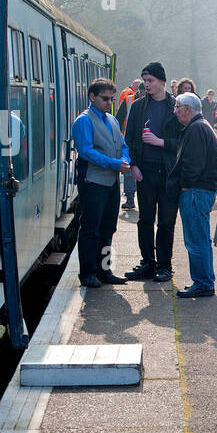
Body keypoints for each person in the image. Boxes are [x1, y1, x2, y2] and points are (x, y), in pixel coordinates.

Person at [122, 62, 183, 283]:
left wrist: (160, 142)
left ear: (162, 82)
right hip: (145, 171)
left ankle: (165, 265)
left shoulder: (175, 106)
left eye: (151, 81)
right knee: (145, 219)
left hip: (168, 172)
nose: (146, 85)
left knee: (166, 221)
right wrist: (134, 165)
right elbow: (129, 139)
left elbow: (183, 142)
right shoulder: (138, 107)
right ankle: (148, 262)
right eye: (144, 81)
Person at [72, 78, 131, 289]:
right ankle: (88, 273)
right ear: (92, 97)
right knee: (90, 229)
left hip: (112, 183)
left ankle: (104, 270)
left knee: (108, 228)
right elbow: (86, 151)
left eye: (112, 99)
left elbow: (124, 145)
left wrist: (126, 160)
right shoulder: (83, 121)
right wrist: (115, 163)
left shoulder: (112, 120)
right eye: (105, 99)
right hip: (93, 183)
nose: (109, 103)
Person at [171, 93, 217, 298]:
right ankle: (203, 281)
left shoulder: (196, 128)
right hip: (200, 190)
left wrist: (184, 185)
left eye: (177, 106)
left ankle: (203, 283)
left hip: (195, 191)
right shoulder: (201, 126)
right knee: (199, 238)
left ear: (188, 109)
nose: (175, 111)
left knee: (196, 239)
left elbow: (194, 164)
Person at [115, 79, 143, 210]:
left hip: (144, 143)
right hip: (128, 141)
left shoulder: (153, 101)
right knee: (128, 170)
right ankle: (130, 198)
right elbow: (118, 119)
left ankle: (134, 197)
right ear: (140, 91)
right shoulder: (129, 100)